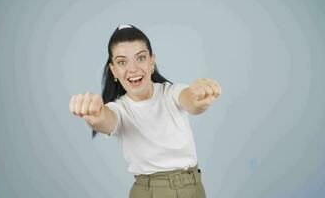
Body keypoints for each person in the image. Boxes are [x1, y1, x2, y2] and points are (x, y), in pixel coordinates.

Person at [69, 24, 221, 198]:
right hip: (150, 192)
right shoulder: (119, 109)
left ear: (152, 61)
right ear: (114, 71)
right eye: (122, 62)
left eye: (140, 58)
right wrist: (95, 115)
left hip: (194, 188)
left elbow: (190, 101)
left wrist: (198, 97)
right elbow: (106, 120)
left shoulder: (171, 92)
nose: (133, 69)